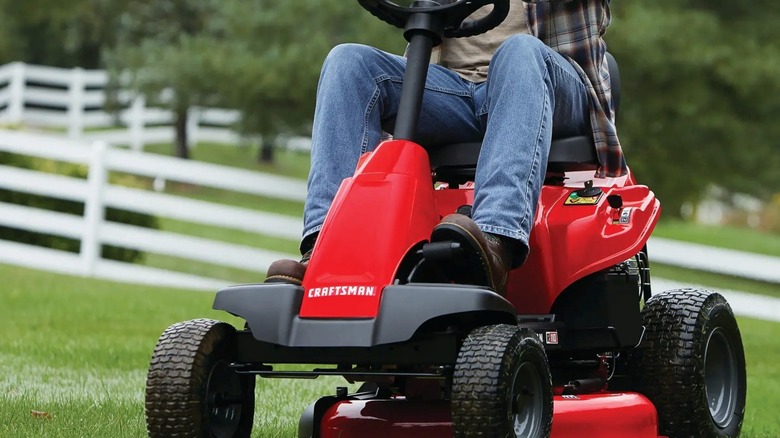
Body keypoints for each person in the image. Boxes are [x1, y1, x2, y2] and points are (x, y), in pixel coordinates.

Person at [265, 0, 627, 295]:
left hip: (549, 78)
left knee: (518, 52)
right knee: (348, 63)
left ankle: (494, 243)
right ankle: (326, 249)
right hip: (452, 89)